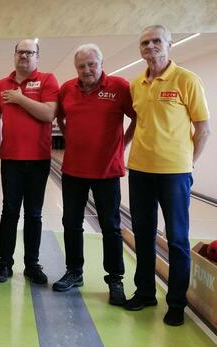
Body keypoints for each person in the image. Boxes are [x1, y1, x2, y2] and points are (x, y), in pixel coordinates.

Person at [125, 25, 211, 326]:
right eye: (144, 42)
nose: (150, 47)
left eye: (156, 41)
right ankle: (145, 292)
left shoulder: (186, 79)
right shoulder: (136, 84)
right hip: (139, 171)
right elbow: (137, 122)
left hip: (174, 174)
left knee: (176, 239)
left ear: (169, 44)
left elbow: (203, 128)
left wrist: (188, 163)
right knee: (144, 236)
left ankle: (176, 302)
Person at [53, 44, 136, 305]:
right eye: (81, 66)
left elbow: (137, 118)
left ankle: (115, 280)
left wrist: (122, 144)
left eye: (92, 64)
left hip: (107, 171)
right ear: (75, 68)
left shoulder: (120, 86)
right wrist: (71, 139)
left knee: (110, 227)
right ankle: (74, 272)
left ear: (101, 63)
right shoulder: (67, 89)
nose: (87, 70)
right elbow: (60, 119)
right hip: (73, 170)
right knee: (71, 223)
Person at [0, 39, 59, 284]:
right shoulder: (1, 85)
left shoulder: (48, 80)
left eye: (30, 52)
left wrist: (20, 99)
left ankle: (32, 264)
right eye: (21, 52)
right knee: (9, 212)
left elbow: (48, 113)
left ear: (37, 57)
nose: (25, 56)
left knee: (34, 214)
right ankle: (4, 264)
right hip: (12, 161)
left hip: (38, 160)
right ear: (14, 55)